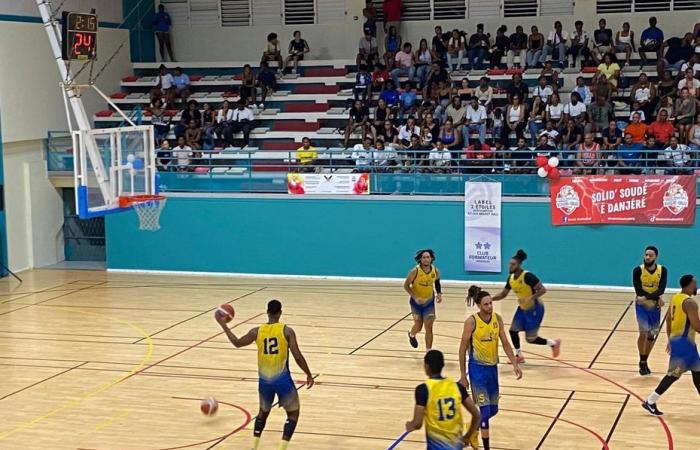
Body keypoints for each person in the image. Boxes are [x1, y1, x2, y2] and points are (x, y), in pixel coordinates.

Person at [216, 299, 314, 450]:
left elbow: (237, 342)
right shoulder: (286, 331)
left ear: (267, 312)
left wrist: (223, 325)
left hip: (264, 381)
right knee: (293, 415)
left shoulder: (257, 331)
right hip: (282, 380)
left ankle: (254, 447)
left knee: (263, 413)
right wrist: (308, 374)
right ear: (280, 313)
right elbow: (298, 356)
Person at [460, 286, 522, 450]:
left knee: (493, 410)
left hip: (492, 369)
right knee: (485, 412)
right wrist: (463, 375)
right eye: (486, 304)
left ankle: (472, 428)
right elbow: (462, 348)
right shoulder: (472, 322)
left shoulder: (497, 319)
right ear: (479, 305)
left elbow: (506, 343)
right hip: (477, 370)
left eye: (491, 303)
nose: (490, 307)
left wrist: (515, 363)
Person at [642, 274, 700, 417]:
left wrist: (670, 339)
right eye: (695, 283)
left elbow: (668, 320)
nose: (696, 286)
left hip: (681, 342)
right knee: (673, 375)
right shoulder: (690, 303)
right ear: (690, 284)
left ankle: (650, 401)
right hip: (684, 344)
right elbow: (697, 326)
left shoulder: (675, 298)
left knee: (698, 374)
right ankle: (650, 401)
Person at [490, 249, 561, 363]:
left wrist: (530, 297)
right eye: (509, 264)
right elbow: (503, 294)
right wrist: (490, 299)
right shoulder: (511, 279)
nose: (510, 266)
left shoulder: (528, 276)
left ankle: (554, 343)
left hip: (535, 308)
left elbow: (543, 289)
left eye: (513, 264)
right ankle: (519, 355)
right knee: (513, 331)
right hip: (522, 309)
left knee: (530, 339)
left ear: (519, 265)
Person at [405, 350, 480, 450]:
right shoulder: (457, 387)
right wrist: (468, 436)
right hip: (456, 446)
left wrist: (410, 425)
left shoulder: (423, 390)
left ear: (426, 367)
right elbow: (477, 414)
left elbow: (418, 423)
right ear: (443, 365)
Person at [632, 246, 668, 376]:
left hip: (655, 307)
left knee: (652, 336)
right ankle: (641, 361)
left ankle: (645, 360)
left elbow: (661, 289)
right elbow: (638, 291)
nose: (647, 257)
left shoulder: (662, 270)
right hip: (642, 306)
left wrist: (652, 297)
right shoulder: (638, 270)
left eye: (650, 255)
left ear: (656, 257)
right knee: (643, 332)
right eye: (646, 255)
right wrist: (654, 297)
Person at [404, 249, 443, 351]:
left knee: (429, 328)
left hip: (429, 303)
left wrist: (439, 294)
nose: (426, 259)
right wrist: (415, 297)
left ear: (431, 259)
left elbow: (437, 282)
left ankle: (428, 352)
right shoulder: (415, 271)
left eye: (428, 257)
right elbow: (406, 285)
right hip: (416, 303)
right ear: (420, 259)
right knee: (418, 326)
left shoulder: (435, 271)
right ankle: (412, 335)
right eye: (424, 257)